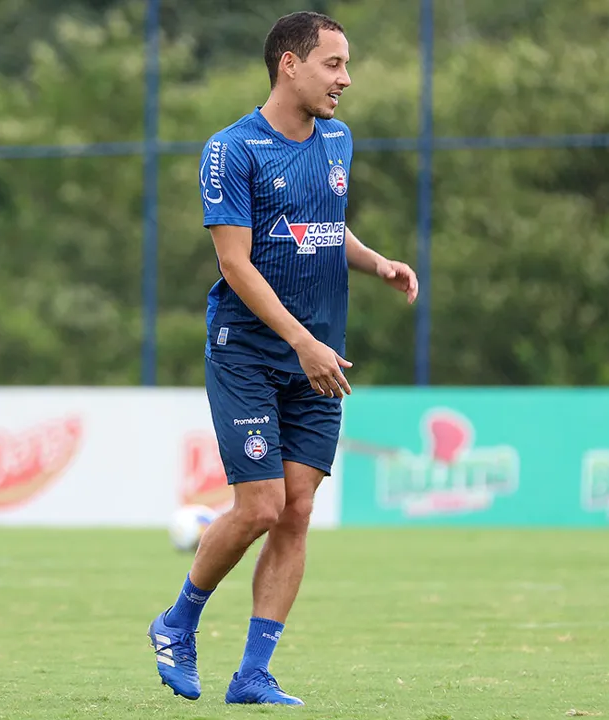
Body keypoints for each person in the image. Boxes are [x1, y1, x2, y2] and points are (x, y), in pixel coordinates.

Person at [147, 10, 419, 707]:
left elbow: (321, 226)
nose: (347, 79)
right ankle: (177, 622)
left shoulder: (337, 139)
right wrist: (301, 342)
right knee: (262, 506)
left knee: (297, 512)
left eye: (346, 64)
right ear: (288, 65)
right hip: (253, 354)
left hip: (320, 356)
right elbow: (234, 263)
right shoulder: (230, 150)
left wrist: (374, 261)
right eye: (333, 64)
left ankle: (253, 674)